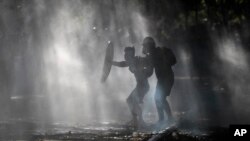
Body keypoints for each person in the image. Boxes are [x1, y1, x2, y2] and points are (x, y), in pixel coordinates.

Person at [112, 47, 153, 128]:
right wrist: (111, 62)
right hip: (140, 86)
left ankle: (140, 121)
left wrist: (148, 58)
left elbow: (148, 62)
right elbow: (122, 64)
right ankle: (135, 120)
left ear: (131, 54)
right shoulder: (130, 62)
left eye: (127, 54)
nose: (125, 55)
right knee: (130, 101)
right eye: (125, 54)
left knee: (132, 101)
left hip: (143, 86)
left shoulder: (137, 60)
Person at [142, 37, 177, 126]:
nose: (144, 48)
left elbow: (173, 61)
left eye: (145, 46)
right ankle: (164, 119)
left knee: (160, 98)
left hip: (167, 78)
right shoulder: (152, 55)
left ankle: (168, 119)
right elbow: (149, 72)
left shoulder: (159, 52)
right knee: (158, 98)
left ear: (149, 46)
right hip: (163, 79)